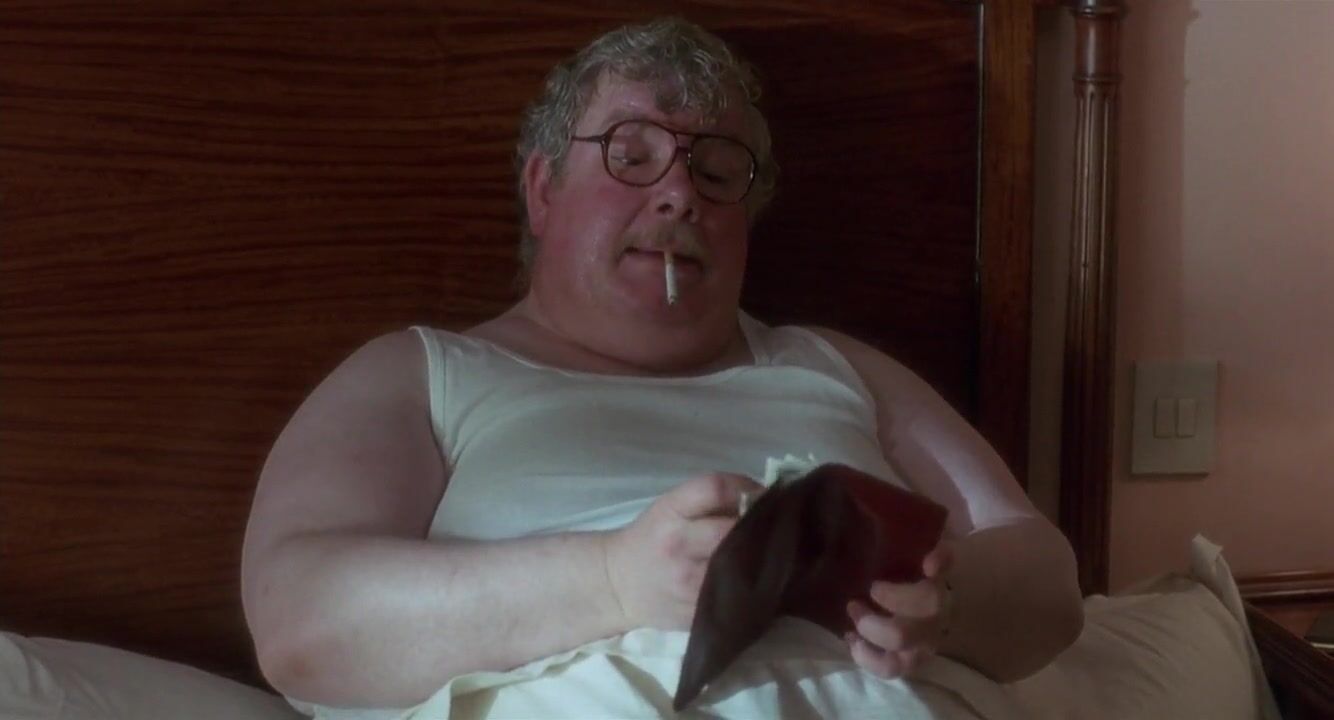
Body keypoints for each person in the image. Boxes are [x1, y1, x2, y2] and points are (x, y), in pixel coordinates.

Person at [240, 16, 1083, 714]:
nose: (681, 194)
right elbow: (297, 623)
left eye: (716, 170)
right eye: (632, 156)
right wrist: (614, 581)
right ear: (543, 189)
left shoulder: (835, 367)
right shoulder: (423, 373)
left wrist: (947, 603)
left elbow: (1048, 580)